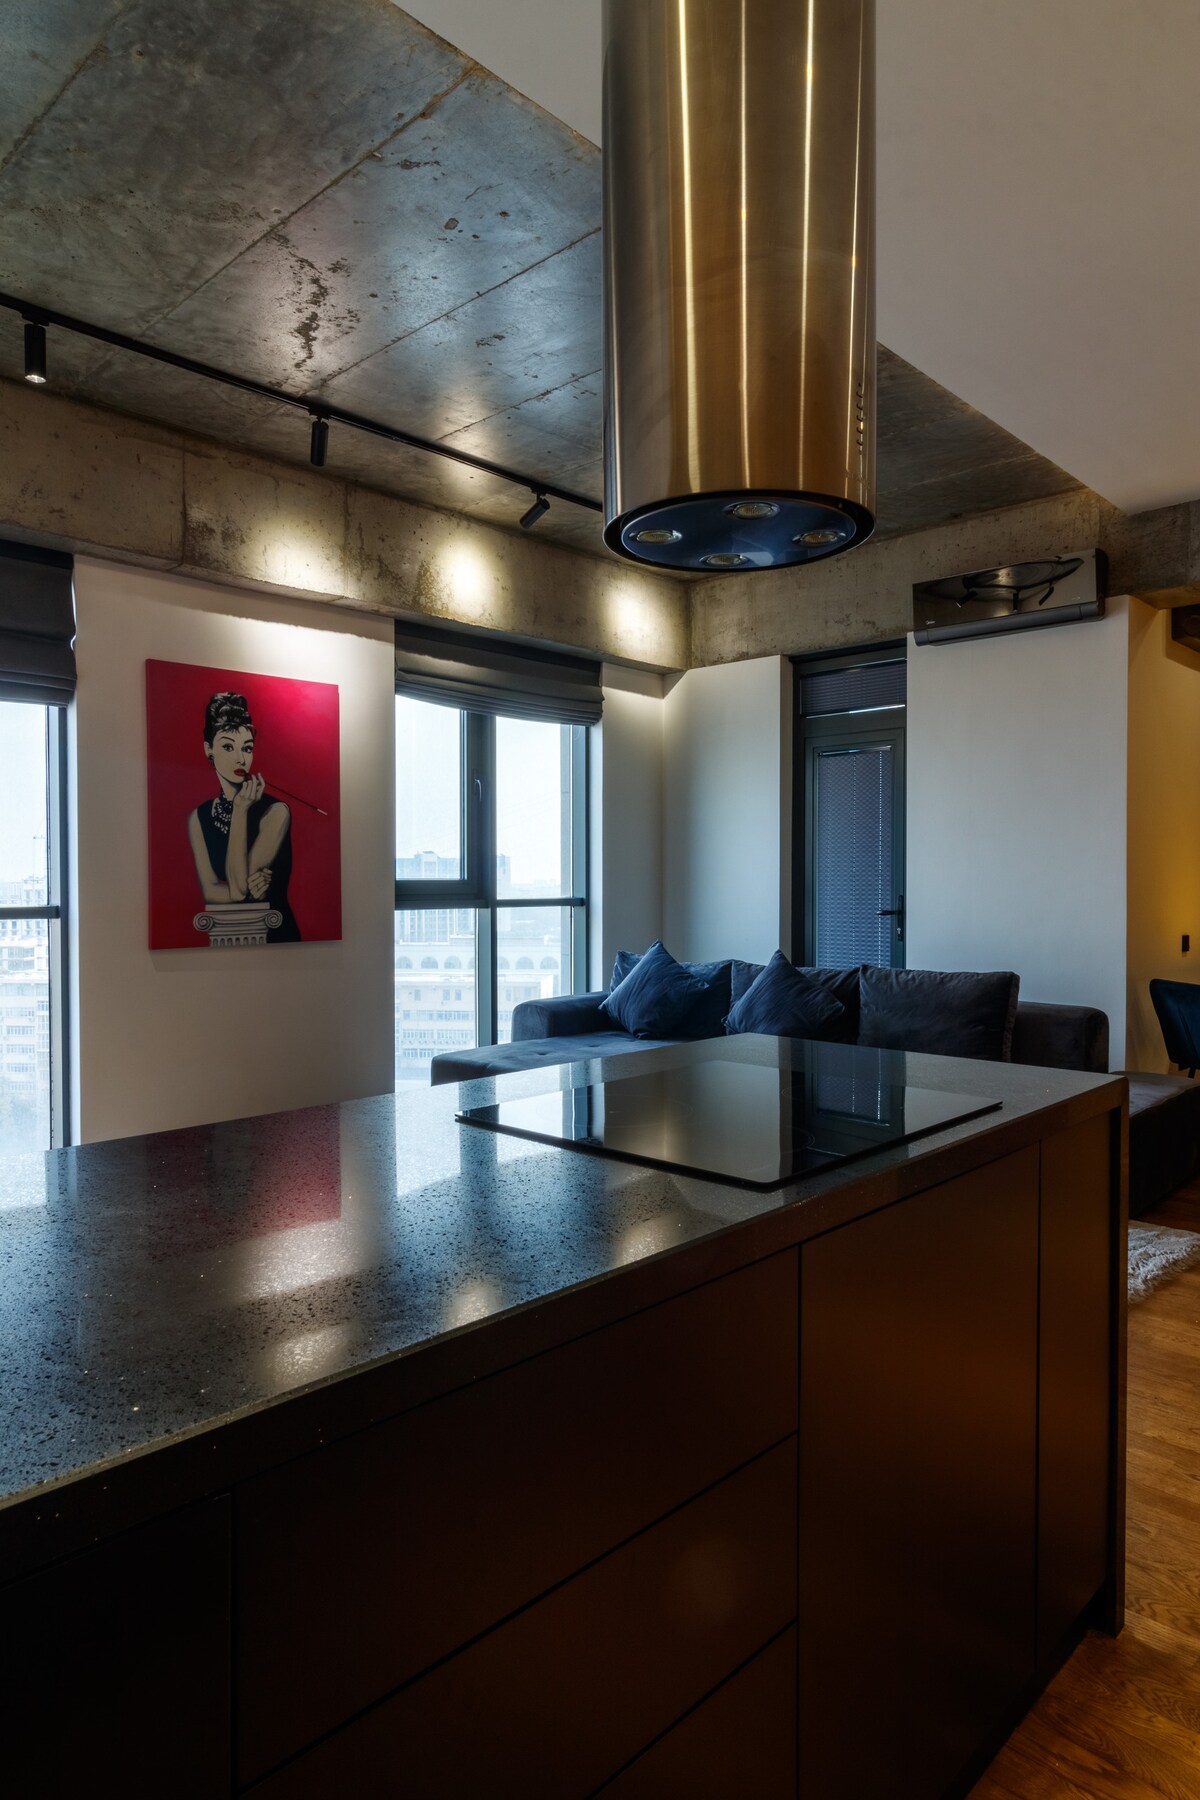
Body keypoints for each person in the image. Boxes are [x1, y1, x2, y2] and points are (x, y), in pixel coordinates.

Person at [187, 692, 301, 942]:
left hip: (277, 938)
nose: (241, 758)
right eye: (228, 746)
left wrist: (240, 810)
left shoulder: (276, 812)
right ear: (209, 750)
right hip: (225, 939)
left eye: (247, 748)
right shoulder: (200, 817)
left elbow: (236, 890)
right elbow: (215, 891)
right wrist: (246, 889)